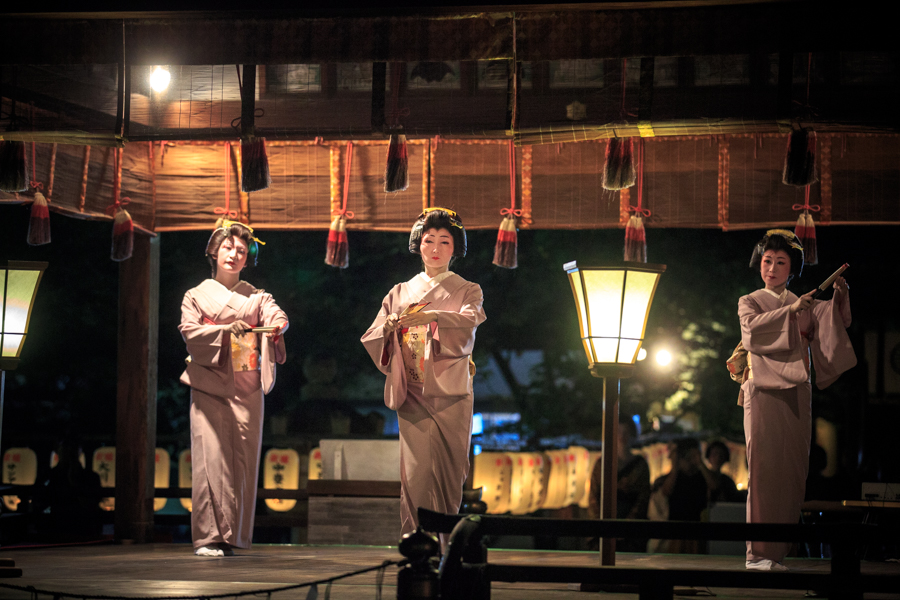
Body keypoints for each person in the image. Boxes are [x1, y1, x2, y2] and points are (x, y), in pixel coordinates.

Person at [361, 208, 485, 547]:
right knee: (414, 474)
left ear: (454, 248)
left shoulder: (468, 289)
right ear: (418, 245)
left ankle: (445, 545)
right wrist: (387, 330)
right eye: (429, 240)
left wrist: (434, 316)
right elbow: (373, 334)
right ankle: (415, 542)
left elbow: (470, 320)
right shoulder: (400, 292)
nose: (435, 247)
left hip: (451, 391)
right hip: (412, 390)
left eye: (445, 241)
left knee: (448, 471)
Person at [739, 229, 854, 571]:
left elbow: (834, 323)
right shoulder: (750, 301)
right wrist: (791, 311)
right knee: (763, 470)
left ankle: (777, 551)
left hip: (797, 390)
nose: (771, 268)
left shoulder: (803, 302)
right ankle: (757, 554)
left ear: (792, 269)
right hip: (762, 390)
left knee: (792, 471)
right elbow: (752, 332)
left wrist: (839, 298)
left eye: (780, 262)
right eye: (767, 261)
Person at [179, 219, 288, 557]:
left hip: (246, 385)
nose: (234, 254)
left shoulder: (257, 296)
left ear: (247, 258)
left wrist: (277, 326)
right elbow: (189, 330)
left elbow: (276, 315)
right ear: (214, 251)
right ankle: (208, 537)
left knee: (242, 460)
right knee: (209, 460)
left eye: (241, 250)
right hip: (208, 385)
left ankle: (236, 536)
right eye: (228, 247)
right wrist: (226, 331)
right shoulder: (195, 295)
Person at [587, 418, 651, 552]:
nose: (622, 436)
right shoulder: (601, 465)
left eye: (626, 432)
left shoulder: (640, 465)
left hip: (632, 534)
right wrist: (600, 526)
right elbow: (593, 497)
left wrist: (626, 526)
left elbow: (643, 499)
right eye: (618, 432)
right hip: (603, 528)